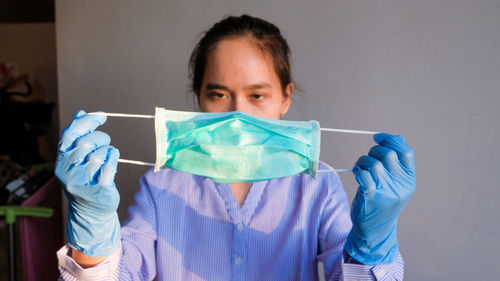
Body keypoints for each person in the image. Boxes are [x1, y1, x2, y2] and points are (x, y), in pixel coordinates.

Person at [56, 15, 415, 280]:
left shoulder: (316, 183)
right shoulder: (163, 183)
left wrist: (373, 241)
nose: (238, 117)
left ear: (285, 99)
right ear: (198, 98)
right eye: (219, 94)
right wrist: (92, 234)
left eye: (257, 95)